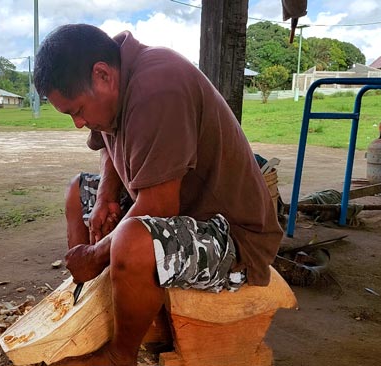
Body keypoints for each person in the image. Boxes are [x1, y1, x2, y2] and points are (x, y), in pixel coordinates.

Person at [33, 24, 282, 366]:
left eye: (77, 111)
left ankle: (121, 354)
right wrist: (107, 190)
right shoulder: (117, 77)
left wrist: (93, 255)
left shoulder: (158, 87)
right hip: (181, 211)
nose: (78, 123)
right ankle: (91, 304)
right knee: (78, 192)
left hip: (232, 235)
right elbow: (107, 144)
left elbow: (160, 207)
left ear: (102, 75)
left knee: (131, 240)